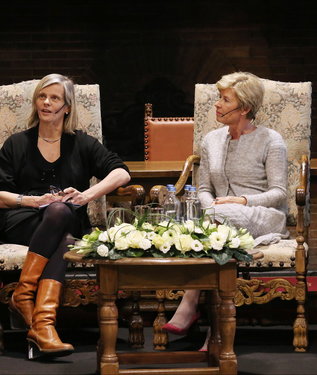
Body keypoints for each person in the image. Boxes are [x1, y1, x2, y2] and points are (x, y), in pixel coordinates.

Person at [0, 73, 131, 359]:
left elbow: (121, 172)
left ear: (67, 107)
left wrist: (87, 195)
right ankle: (42, 324)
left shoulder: (81, 143)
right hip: (23, 220)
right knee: (64, 233)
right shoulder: (17, 144)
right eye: (42, 97)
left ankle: (28, 304)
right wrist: (33, 201)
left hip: (69, 219)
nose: (46, 103)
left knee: (62, 213)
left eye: (55, 98)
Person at [161, 71, 289, 348]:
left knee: (219, 220)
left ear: (245, 108)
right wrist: (211, 209)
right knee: (216, 229)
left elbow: (279, 193)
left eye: (224, 99)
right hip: (218, 219)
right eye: (219, 97)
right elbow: (204, 189)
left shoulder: (271, 141)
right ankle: (216, 334)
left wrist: (242, 201)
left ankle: (189, 301)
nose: (216, 104)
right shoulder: (212, 141)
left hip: (264, 216)